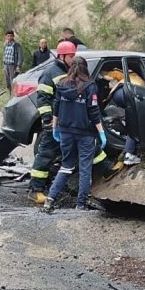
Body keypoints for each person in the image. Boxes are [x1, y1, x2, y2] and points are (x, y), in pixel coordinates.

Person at [44, 56, 107, 211]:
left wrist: (55, 127)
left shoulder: (61, 85)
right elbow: (93, 110)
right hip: (85, 133)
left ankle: (50, 199)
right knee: (85, 168)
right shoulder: (90, 86)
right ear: (85, 68)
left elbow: (56, 106)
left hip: (66, 132)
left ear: (70, 67)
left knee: (66, 166)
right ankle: (81, 204)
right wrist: (101, 132)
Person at [28, 40, 76, 205]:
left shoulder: (70, 71)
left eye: (74, 55)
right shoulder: (50, 73)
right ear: (62, 56)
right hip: (54, 123)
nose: (73, 58)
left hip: (68, 122)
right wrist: (48, 121)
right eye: (71, 56)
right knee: (46, 154)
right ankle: (35, 190)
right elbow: (42, 99)